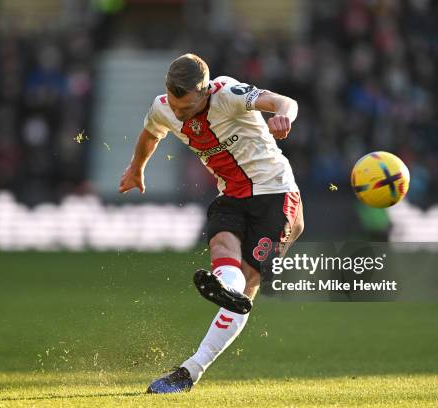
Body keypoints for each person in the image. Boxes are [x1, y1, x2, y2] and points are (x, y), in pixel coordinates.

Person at [118, 53, 304, 393]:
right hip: (231, 194)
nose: (177, 113)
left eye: (185, 108)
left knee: (248, 283)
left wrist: (281, 116)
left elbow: (284, 101)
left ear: (204, 92)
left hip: (276, 194)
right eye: (174, 105)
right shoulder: (164, 106)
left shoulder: (229, 94)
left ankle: (192, 369)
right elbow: (151, 134)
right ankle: (226, 290)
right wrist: (136, 167)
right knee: (221, 249)